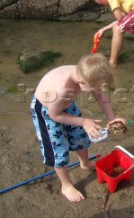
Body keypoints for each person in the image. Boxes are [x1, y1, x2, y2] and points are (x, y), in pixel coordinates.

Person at [30, 53, 126, 202]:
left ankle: (85, 162)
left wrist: (112, 118)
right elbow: (54, 115)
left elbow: (99, 95)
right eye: (94, 88)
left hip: (65, 105)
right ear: (81, 82)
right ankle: (66, 185)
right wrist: (83, 121)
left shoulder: (86, 72)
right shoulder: (61, 89)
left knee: (81, 136)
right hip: (47, 111)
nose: (97, 90)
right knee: (58, 150)